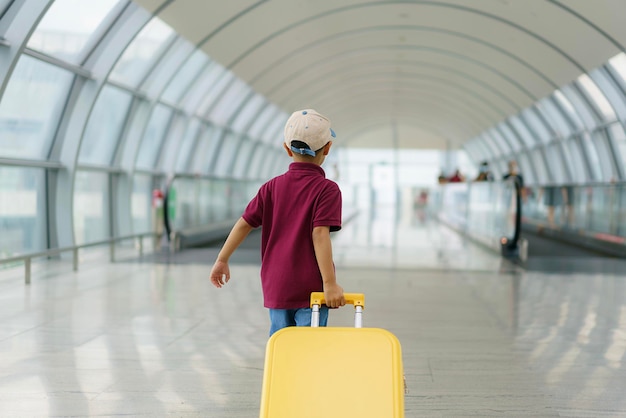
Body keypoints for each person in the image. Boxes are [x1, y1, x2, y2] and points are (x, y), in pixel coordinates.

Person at [209, 109, 346, 336]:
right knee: (309, 348)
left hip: (277, 284)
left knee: (281, 346)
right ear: (328, 148)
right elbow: (319, 234)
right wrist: (330, 283)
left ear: (286, 148)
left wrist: (222, 259)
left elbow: (244, 223)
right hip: (311, 288)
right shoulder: (327, 189)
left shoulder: (271, 187)